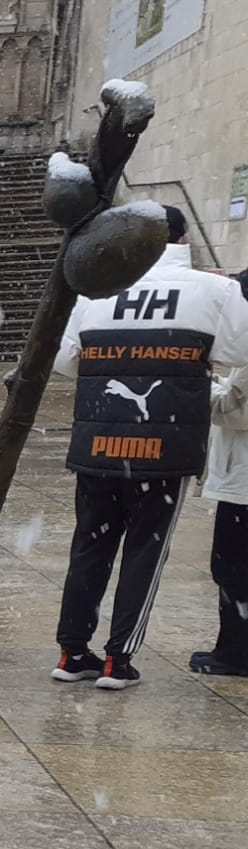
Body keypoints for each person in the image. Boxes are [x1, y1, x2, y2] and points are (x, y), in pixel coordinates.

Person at [50, 206, 248, 689]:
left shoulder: (95, 289)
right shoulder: (215, 290)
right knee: (145, 551)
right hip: (164, 445)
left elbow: (64, 360)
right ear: (182, 239)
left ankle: (73, 652)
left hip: (97, 438)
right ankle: (119, 659)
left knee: (89, 547)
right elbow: (241, 351)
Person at [193, 270, 248, 676]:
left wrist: (201, 382)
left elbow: (235, 411)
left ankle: (235, 653)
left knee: (232, 568)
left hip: (243, 484)